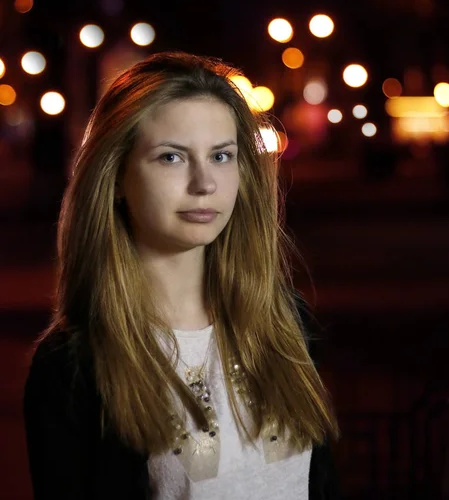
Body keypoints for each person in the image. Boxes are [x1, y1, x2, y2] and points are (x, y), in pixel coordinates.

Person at [23, 51, 340, 499]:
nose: (205, 183)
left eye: (221, 156)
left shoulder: (286, 320)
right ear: (115, 176)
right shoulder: (75, 364)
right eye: (172, 157)